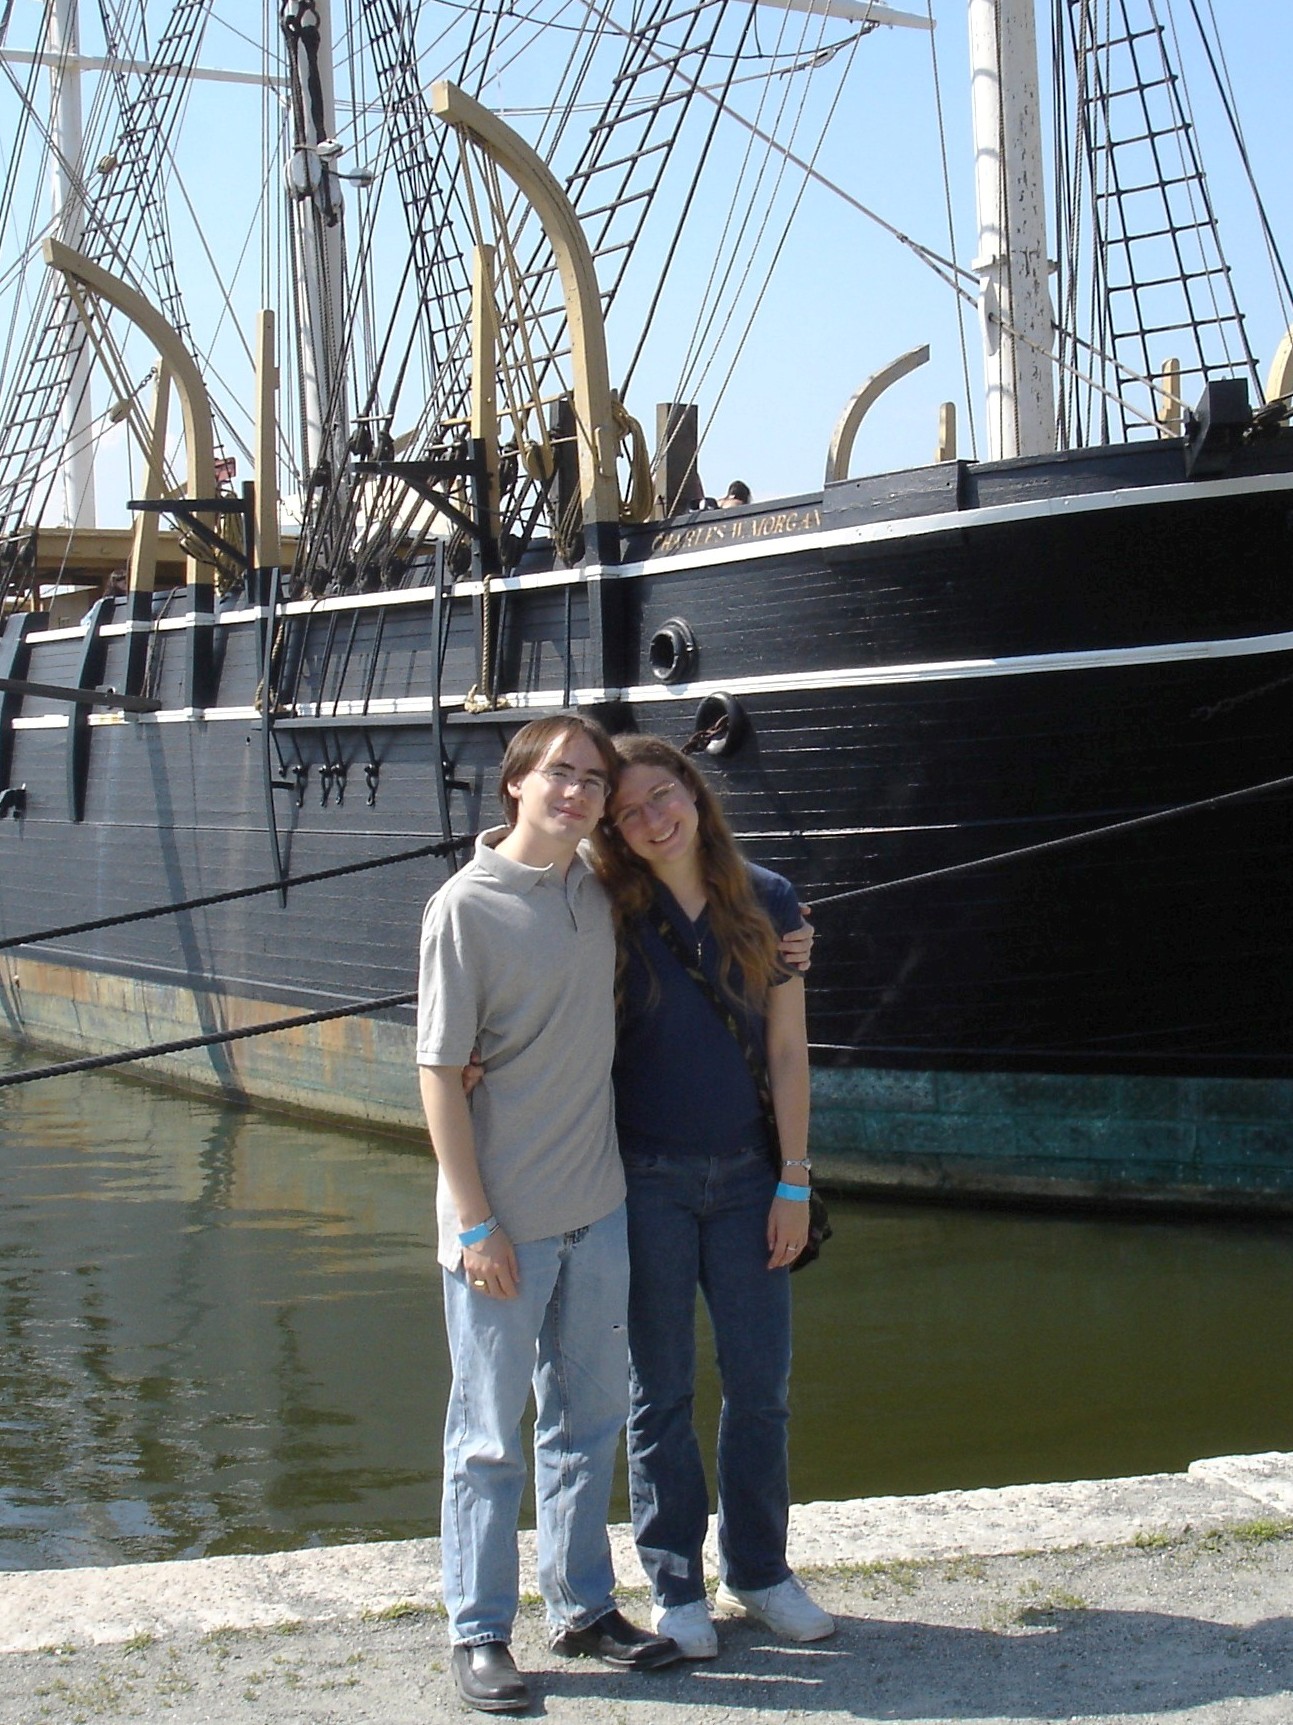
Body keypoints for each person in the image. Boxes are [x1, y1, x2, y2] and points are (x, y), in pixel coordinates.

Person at [416, 715, 681, 1714]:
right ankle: (478, 1631)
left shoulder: (601, 890)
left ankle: (580, 1607)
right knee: (487, 1435)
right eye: (558, 775)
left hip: (596, 1207)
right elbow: (439, 1077)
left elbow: (706, 904)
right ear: (517, 785)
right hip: (505, 1221)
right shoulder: (464, 909)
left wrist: (792, 935)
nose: (576, 792)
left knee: (589, 1417)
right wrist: (475, 1222)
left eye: (591, 780)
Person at [591, 734, 833, 1660]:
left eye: (664, 796)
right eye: (630, 812)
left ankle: (760, 1569)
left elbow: (785, 1049)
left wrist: (793, 1181)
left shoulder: (766, 899)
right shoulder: (607, 902)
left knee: (759, 1385)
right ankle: (674, 1581)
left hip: (744, 1177)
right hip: (642, 1175)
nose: (654, 820)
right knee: (660, 1391)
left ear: (693, 789)